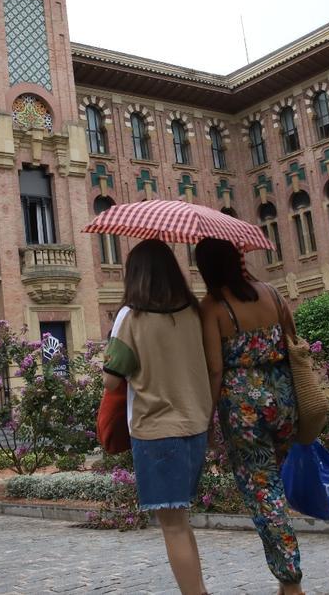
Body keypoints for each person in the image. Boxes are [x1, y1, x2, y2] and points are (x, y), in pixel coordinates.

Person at [195, 238, 306, 594]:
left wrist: (209, 418)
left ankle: (290, 581)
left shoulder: (213, 306)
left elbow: (214, 369)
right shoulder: (272, 293)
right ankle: (287, 578)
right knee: (278, 482)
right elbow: (293, 342)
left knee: (263, 490)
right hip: (285, 396)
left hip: (243, 407)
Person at [102, 240, 213, 595]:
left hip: (156, 430)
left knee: (173, 525)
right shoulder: (193, 312)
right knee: (182, 520)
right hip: (196, 426)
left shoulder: (129, 316)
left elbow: (111, 378)